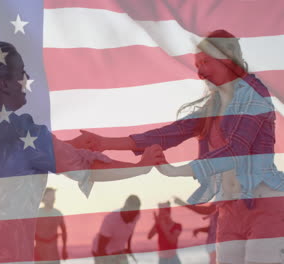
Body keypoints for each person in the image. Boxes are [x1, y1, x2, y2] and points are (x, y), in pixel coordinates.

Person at [70, 29, 284, 264]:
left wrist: (177, 170)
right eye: (197, 65)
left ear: (227, 57)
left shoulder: (255, 94)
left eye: (205, 62)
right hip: (228, 209)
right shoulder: (211, 108)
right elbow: (168, 134)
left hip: (265, 203)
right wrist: (105, 143)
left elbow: (236, 150)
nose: (200, 73)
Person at [0, 41, 165, 264]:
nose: (26, 81)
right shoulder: (25, 131)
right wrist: (141, 166)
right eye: (22, 73)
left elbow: (17, 160)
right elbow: (89, 168)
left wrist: (71, 145)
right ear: (4, 84)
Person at [92, 195, 141, 264]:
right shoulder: (110, 220)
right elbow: (101, 249)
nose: (132, 218)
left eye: (135, 214)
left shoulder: (136, 215)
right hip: (101, 251)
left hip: (118, 250)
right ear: (125, 209)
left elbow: (130, 230)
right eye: (131, 215)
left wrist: (128, 247)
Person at [173, 196, 217, 264]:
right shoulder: (218, 203)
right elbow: (214, 227)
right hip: (212, 245)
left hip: (217, 245)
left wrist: (183, 204)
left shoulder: (223, 204)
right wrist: (200, 230)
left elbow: (205, 210)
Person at [34, 188, 68, 264]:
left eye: (53, 195)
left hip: (53, 254)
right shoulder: (37, 213)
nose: (52, 198)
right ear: (43, 198)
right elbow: (28, 232)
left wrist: (64, 249)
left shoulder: (57, 213)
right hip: (39, 253)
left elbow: (64, 231)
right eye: (49, 195)